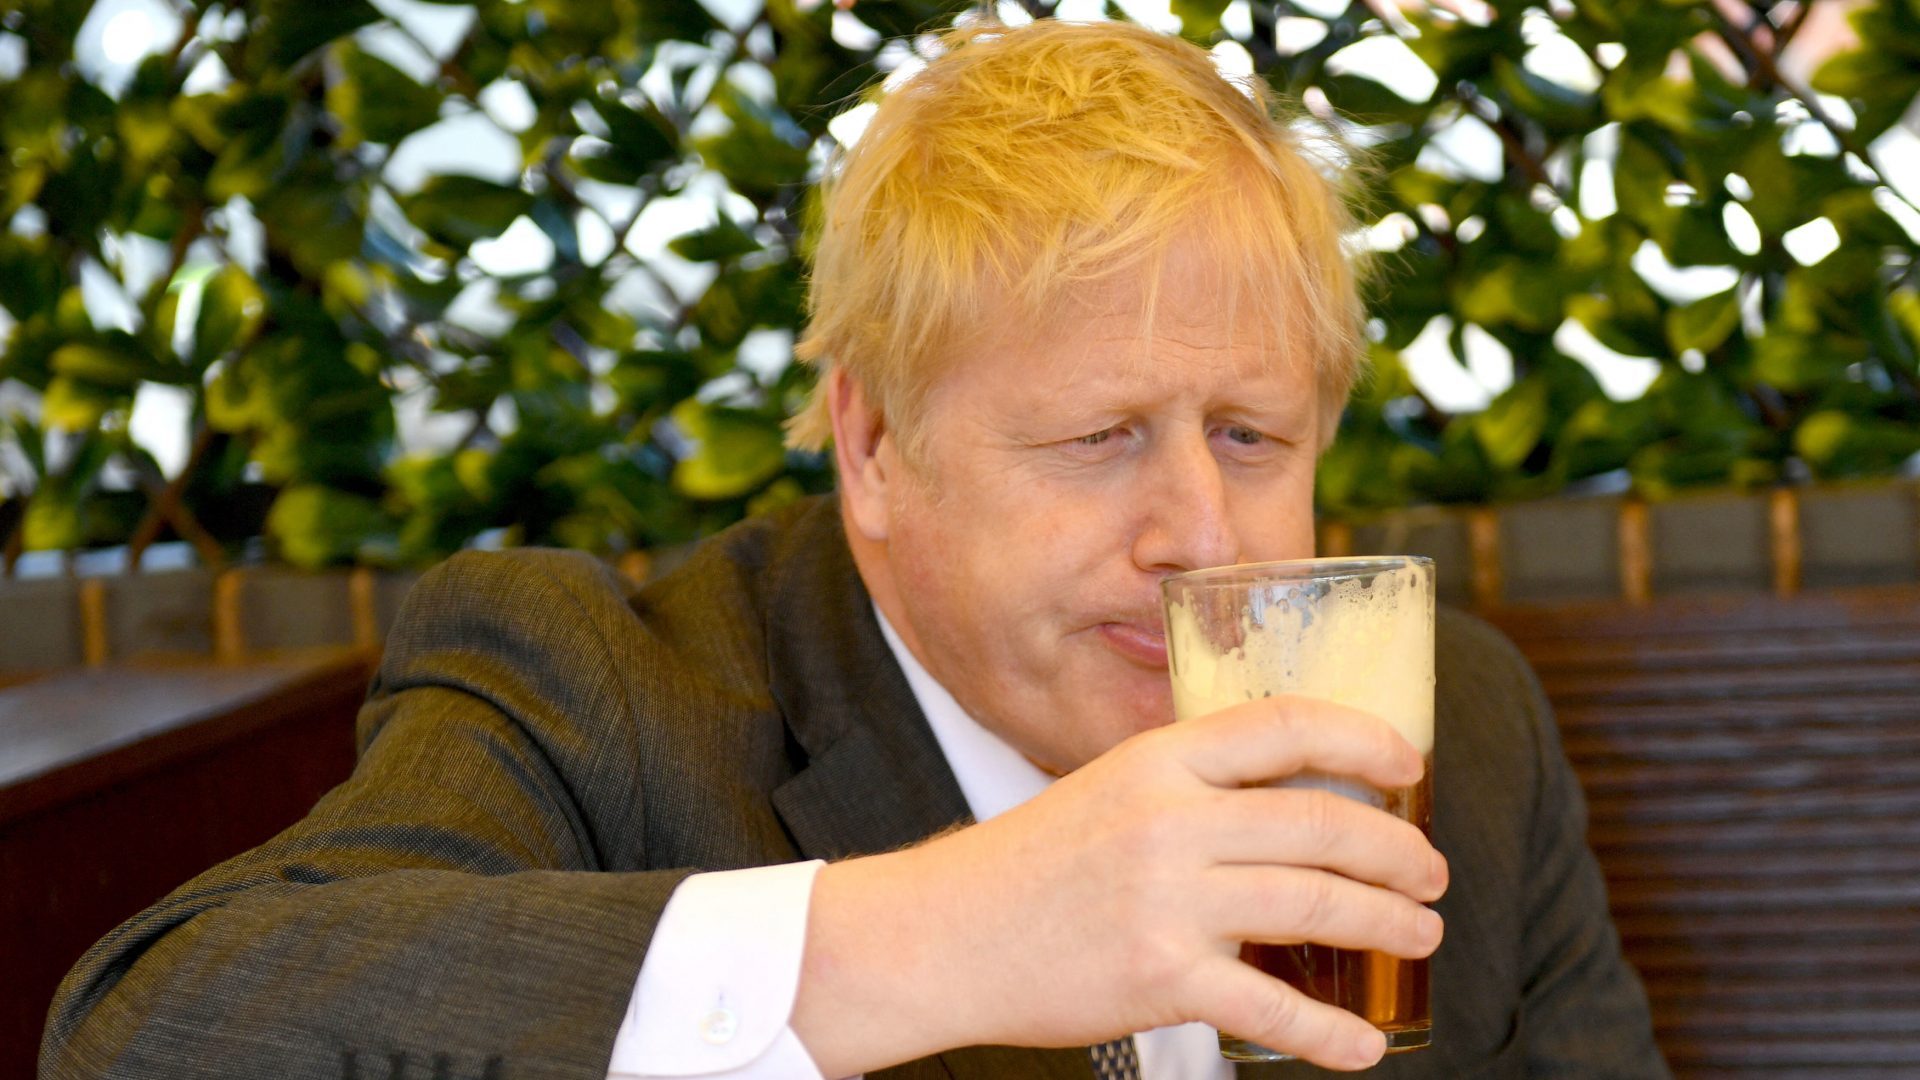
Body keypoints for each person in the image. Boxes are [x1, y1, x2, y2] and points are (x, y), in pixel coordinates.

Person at [42, 18, 1666, 1080]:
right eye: (1101, 437)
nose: (1201, 533)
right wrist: (949, 930)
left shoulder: (1451, 719)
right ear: (875, 444)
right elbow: (154, 1030)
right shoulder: (600, 690)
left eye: (1253, 436)